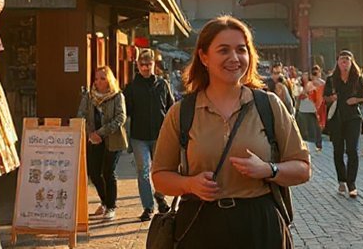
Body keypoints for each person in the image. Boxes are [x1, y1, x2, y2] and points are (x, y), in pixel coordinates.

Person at [152, 16, 311, 248]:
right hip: (200, 225)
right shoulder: (181, 112)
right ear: (204, 57)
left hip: (260, 225)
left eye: (241, 50)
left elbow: (303, 168)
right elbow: (160, 177)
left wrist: (268, 169)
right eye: (223, 50)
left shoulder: (268, 105)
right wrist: (190, 184)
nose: (234, 58)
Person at [123, 48, 175, 221]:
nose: (145, 68)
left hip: (161, 135)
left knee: (160, 170)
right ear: (137, 65)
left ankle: (160, 197)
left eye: (149, 64)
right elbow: (125, 113)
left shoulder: (163, 84)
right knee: (143, 171)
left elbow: (171, 109)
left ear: (154, 64)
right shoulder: (130, 88)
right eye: (142, 64)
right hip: (139, 136)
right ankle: (148, 207)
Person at [76, 66, 128, 221]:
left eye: (102, 78)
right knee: (94, 172)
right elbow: (81, 115)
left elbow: (120, 117)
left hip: (113, 139)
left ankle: (111, 206)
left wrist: (101, 132)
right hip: (94, 139)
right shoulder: (89, 96)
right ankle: (105, 201)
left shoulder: (117, 96)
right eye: (96, 78)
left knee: (108, 172)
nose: (98, 82)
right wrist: (91, 133)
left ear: (109, 80)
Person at [324, 50, 363, 198]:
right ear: (337, 62)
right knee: (338, 150)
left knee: (352, 150)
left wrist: (355, 100)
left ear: (351, 62)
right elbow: (325, 98)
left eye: (347, 60)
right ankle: (341, 180)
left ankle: (352, 184)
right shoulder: (331, 79)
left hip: (353, 117)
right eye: (342, 60)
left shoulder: (357, 78)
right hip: (337, 118)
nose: (344, 63)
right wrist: (332, 97)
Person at [296, 66, 325, 152]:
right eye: (313, 73)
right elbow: (302, 95)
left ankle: (316, 144)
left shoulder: (319, 83)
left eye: (316, 73)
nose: (315, 75)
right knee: (313, 127)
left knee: (316, 127)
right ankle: (315, 144)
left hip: (313, 109)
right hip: (308, 108)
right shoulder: (311, 84)